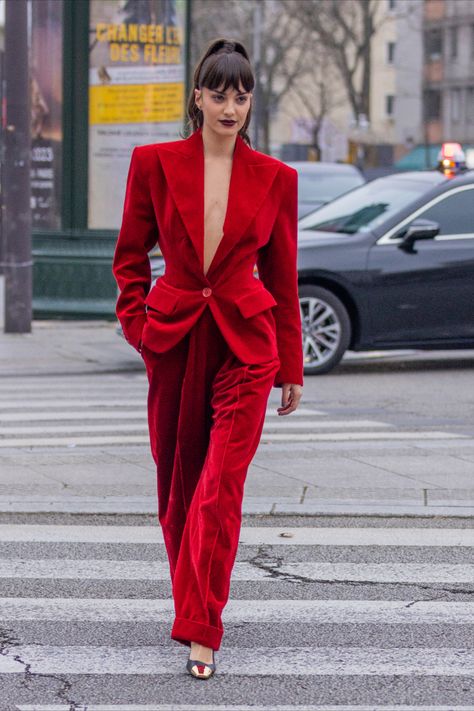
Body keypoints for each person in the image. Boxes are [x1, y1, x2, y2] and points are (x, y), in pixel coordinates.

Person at [112, 37, 303, 680]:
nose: (231, 105)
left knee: (220, 487)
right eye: (219, 93)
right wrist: (137, 324)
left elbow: (283, 281)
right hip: (174, 339)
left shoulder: (278, 178)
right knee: (179, 488)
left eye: (242, 94)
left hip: (248, 347)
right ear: (198, 97)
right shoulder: (153, 162)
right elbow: (130, 258)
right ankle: (190, 603)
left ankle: (203, 628)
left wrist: (292, 366)